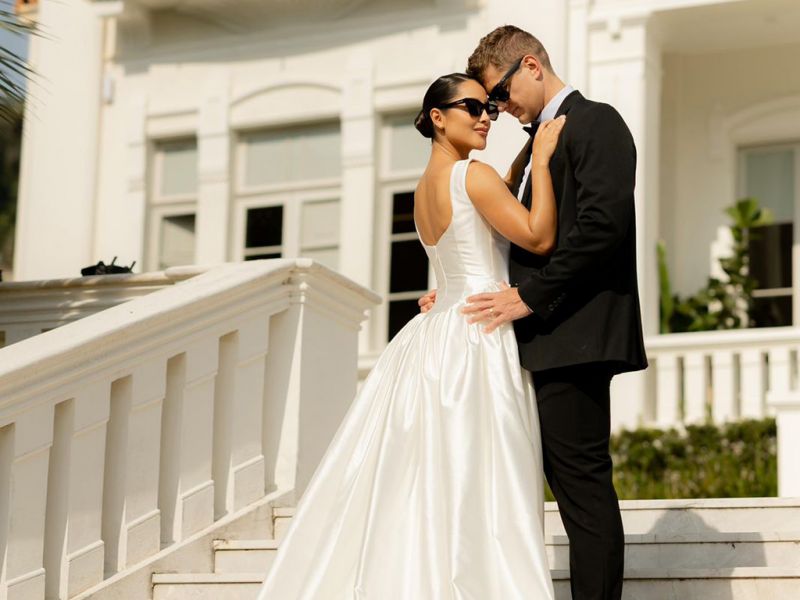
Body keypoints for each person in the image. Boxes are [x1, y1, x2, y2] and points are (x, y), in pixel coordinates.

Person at [256, 73, 565, 599]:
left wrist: (518, 162)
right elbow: (537, 234)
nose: (487, 114)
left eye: (490, 105)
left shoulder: (424, 189)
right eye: (472, 106)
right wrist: (540, 161)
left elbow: (469, 234)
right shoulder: (475, 175)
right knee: (484, 482)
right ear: (438, 117)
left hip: (432, 339)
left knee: (433, 484)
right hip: (477, 339)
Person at [421, 26, 648, 600]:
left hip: (576, 335)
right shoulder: (530, 146)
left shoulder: (598, 122)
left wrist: (531, 294)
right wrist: (453, 289)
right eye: (485, 103)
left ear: (531, 65)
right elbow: (505, 239)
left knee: (583, 488)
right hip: (530, 339)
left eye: (497, 94)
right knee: (553, 488)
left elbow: (602, 227)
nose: (496, 109)